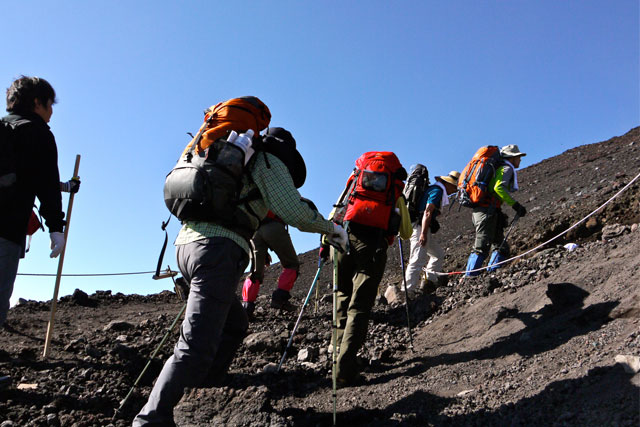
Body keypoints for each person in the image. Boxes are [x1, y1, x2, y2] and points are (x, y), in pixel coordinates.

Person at [133, 125, 347, 426]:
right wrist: (331, 229)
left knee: (235, 324)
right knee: (194, 346)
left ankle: (208, 382)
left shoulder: (235, 158)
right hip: (217, 252)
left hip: (188, 246)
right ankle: (150, 420)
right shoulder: (268, 162)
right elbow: (293, 211)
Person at [322, 151, 412, 387]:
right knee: (360, 307)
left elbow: (335, 214)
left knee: (341, 296)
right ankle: (344, 367)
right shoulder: (394, 191)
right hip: (373, 247)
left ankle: (335, 356)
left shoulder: (354, 183)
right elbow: (406, 232)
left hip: (343, 240)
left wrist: (325, 244)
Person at [0, 76, 79, 328]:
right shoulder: (37, 133)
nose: (52, 111)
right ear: (37, 103)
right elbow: (44, 182)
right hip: (6, 228)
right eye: (49, 104)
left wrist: (66, 186)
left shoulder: (3, 128)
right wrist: (56, 227)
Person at [465, 144, 527, 276]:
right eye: (518, 157)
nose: (520, 160)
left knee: (500, 245)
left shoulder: (497, 167)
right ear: (512, 158)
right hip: (487, 211)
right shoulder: (506, 168)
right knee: (481, 246)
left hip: (485, 211)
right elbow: (498, 188)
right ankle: (469, 277)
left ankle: (492, 273)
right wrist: (515, 205)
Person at [404, 171, 460, 295]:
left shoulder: (435, 189)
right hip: (420, 227)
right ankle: (407, 291)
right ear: (448, 184)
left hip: (421, 226)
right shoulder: (437, 191)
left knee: (438, 254)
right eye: (454, 187)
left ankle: (428, 282)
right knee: (418, 258)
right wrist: (423, 233)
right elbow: (427, 212)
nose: (455, 191)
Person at [241, 210, 302, 317]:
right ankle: (280, 299)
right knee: (291, 264)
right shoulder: (275, 194)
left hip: (254, 231)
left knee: (255, 272)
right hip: (273, 226)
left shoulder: (252, 196)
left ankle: (246, 308)